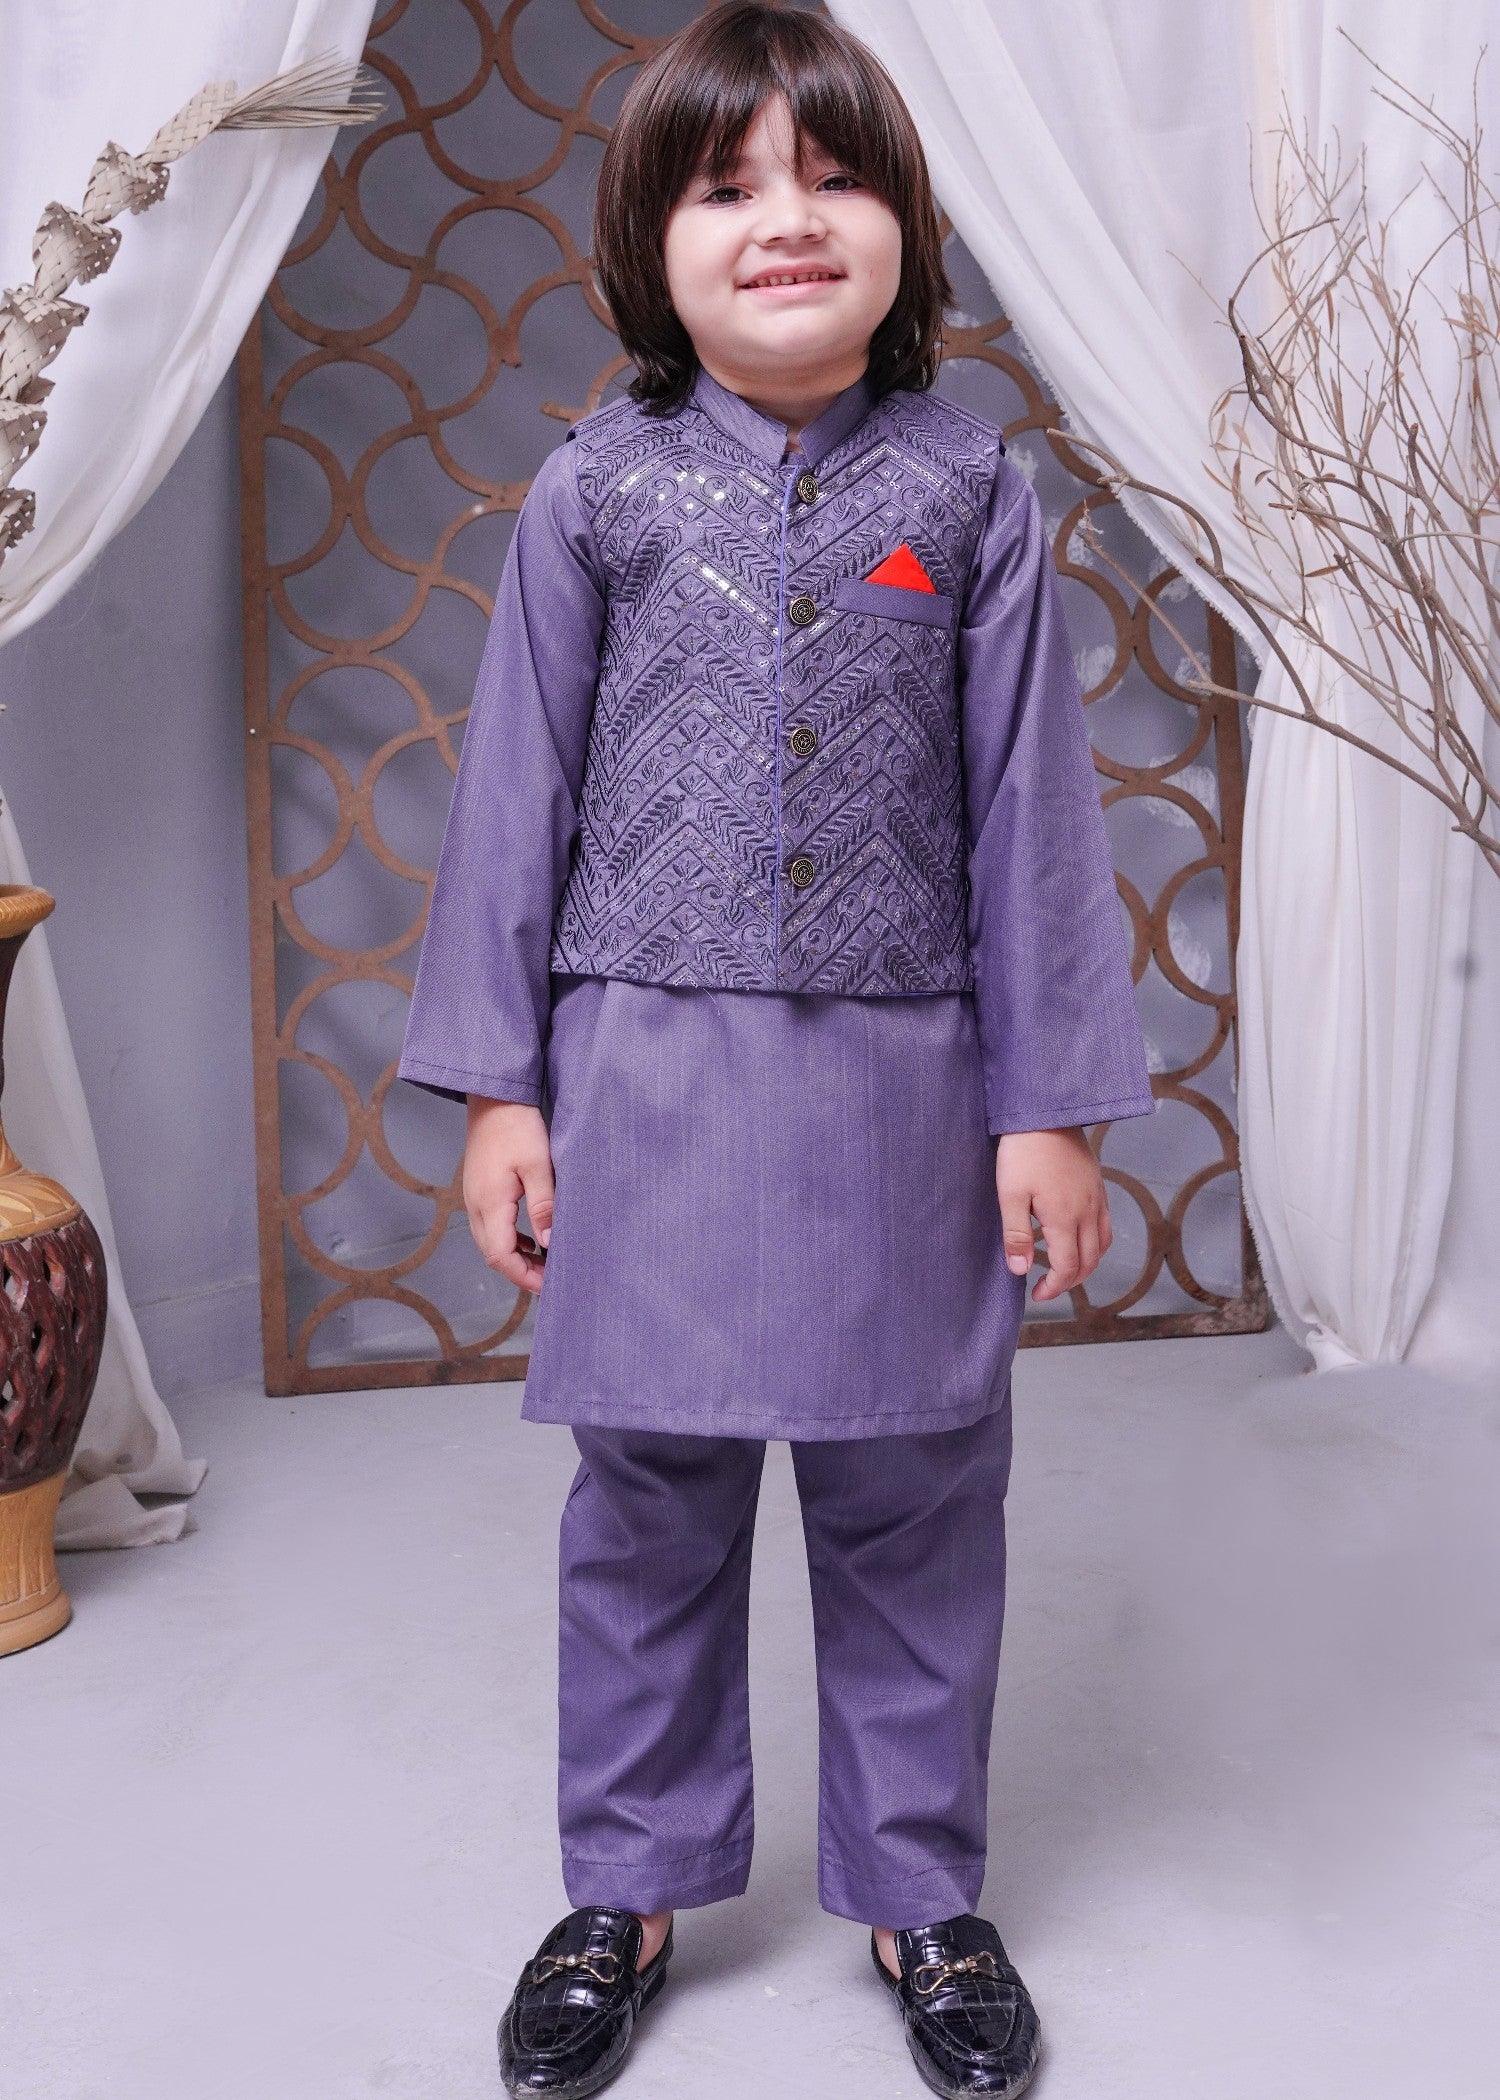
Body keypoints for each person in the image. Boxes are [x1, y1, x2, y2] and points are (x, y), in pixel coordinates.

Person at [398, 6, 1156, 2095]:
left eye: (830, 178)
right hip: (640, 1085)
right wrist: (501, 1090)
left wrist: (1051, 1112)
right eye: (727, 188)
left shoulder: (970, 496)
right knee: (646, 1506)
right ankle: (626, 1889)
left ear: (905, 225)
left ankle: (923, 1896)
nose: (785, 221)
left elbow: (1032, 820)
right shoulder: (592, 495)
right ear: (652, 246)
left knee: (918, 1498)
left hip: (904, 1099)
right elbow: (514, 805)